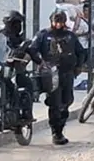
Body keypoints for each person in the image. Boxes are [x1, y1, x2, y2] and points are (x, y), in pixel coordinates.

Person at [28, 9, 86, 146]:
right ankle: (56, 133)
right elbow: (32, 49)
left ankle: (61, 128)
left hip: (67, 73)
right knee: (55, 103)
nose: (58, 24)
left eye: (61, 22)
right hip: (51, 75)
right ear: (52, 21)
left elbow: (81, 52)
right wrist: (40, 62)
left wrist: (79, 65)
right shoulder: (43, 35)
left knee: (67, 101)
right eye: (56, 21)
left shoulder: (70, 36)